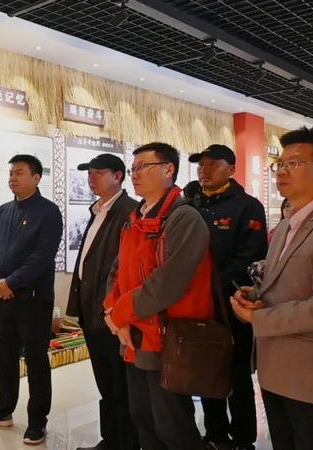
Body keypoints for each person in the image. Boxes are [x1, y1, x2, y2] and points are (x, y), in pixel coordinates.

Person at [103, 142, 214, 450]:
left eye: (143, 167)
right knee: (143, 418)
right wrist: (112, 312)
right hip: (133, 336)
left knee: (172, 426)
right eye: (133, 168)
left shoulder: (183, 218)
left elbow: (167, 283)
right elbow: (117, 271)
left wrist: (120, 314)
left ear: (169, 169)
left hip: (166, 339)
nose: (135, 174)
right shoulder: (135, 217)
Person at [231, 126, 313, 450]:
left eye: (295, 163)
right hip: (275, 371)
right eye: (280, 164)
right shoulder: (288, 223)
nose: (282, 171)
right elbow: (284, 283)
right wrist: (256, 295)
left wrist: (259, 318)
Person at [0, 154, 63, 446]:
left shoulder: (48, 212)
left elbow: (42, 256)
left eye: (19, 173)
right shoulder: (3, 211)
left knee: (36, 361)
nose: (12, 178)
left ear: (36, 178)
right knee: (5, 357)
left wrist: (11, 282)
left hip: (34, 300)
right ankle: (2, 409)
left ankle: (37, 421)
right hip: (5, 298)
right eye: (11, 173)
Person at [186, 145, 267, 450]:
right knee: (207, 371)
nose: (203, 170)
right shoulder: (193, 204)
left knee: (237, 374)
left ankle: (243, 439)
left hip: (233, 305)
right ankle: (215, 434)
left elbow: (250, 256)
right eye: (200, 165)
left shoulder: (247, 206)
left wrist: (214, 286)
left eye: (212, 165)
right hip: (197, 305)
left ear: (231, 169)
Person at [66, 154, 139, 450]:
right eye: (89, 173)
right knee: (106, 382)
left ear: (118, 176)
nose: (91, 178)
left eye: (98, 173)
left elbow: (124, 267)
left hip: (113, 312)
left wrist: (114, 309)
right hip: (93, 310)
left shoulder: (129, 211)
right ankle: (111, 439)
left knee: (121, 384)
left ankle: (126, 442)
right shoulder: (99, 210)